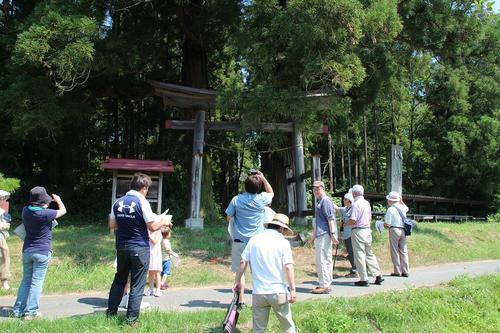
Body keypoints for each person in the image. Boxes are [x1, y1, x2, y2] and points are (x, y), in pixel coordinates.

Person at [106, 172, 172, 326]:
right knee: (137, 283)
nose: (147, 191)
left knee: (119, 280)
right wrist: (163, 220)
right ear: (143, 187)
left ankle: (111, 313)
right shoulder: (142, 202)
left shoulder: (118, 202)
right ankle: (131, 320)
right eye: (147, 188)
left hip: (122, 246)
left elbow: (112, 225)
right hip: (139, 247)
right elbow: (153, 226)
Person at [233, 213, 297, 333]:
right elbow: (288, 267)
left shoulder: (254, 240)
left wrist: (237, 281)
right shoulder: (283, 242)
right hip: (278, 291)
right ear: (281, 228)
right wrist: (292, 289)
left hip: (259, 292)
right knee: (288, 327)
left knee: (258, 329)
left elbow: (242, 262)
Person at [12, 187, 67, 319]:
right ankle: (31, 312)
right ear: (43, 202)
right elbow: (64, 211)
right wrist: (58, 201)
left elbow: (37, 207)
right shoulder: (45, 214)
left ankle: (18, 310)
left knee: (26, 281)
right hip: (42, 252)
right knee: (37, 282)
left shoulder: (25, 211)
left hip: (27, 251)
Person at [225, 170, 274, 306]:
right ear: (259, 187)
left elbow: (228, 217)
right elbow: (271, 193)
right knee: (259, 271)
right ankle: (262, 299)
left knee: (240, 272)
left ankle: (241, 300)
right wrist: (263, 178)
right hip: (258, 242)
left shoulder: (236, 200)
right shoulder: (262, 199)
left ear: (245, 186)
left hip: (240, 241)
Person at [346, 184, 384, 287]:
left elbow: (353, 219)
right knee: (369, 253)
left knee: (359, 255)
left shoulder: (355, 204)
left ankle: (364, 279)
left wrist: (345, 224)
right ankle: (378, 275)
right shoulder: (367, 203)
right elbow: (370, 218)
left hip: (358, 231)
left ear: (354, 193)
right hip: (367, 230)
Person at [310, 180, 338, 294]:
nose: (316, 191)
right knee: (324, 259)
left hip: (325, 234)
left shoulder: (325, 201)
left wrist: (333, 234)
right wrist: (313, 236)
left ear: (323, 188)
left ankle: (324, 285)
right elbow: (318, 221)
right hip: (320, 234)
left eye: (318, 188)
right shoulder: (318, 201)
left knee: (322, 260)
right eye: (314, 189)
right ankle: (326, 283)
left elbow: (331, 219)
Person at [384, 191, 410, 277]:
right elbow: (407, 208)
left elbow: (387, 224)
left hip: (394, 229)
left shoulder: (390, 209)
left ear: (390, 200)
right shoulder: (403, 208)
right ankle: (405, 271)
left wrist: (381, 224)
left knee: (394, 251)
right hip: (403, 230)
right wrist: (401, 200)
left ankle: (397, 271)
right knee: (403, 251)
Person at [334, 191, 357, 278]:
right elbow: (337, 208)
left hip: (351, 234)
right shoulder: (346, 209)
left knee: (352, 253)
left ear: (349, 200)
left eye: (345, 199)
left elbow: (352, 220)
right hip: (347, 234)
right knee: (351, 252)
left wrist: (345, 224)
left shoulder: (353, 209)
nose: (343, 200)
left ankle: (355, 270)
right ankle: (355, 269)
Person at [144, 228, 163, 297]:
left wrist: (148, 234)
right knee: (150, 271)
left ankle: (158, 289)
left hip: (156, 253)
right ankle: (150, 289)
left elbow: (154, 241)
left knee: (157, 272)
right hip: (149, 252)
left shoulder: (158, 231)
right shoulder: (148, 230)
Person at [0, 190, 11, 290]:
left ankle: (5, 282)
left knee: (5, 258)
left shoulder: (2, 211)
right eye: (2, 198)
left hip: (2, 238)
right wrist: (2, 226)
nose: (3, 200)